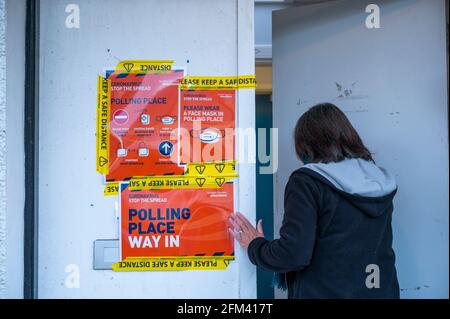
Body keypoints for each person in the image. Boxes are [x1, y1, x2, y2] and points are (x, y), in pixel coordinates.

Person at [228, 103, 400, 299]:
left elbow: (293, 255)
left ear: (307, 146)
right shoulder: (377, 178)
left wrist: (255, 245)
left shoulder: (308, 181)